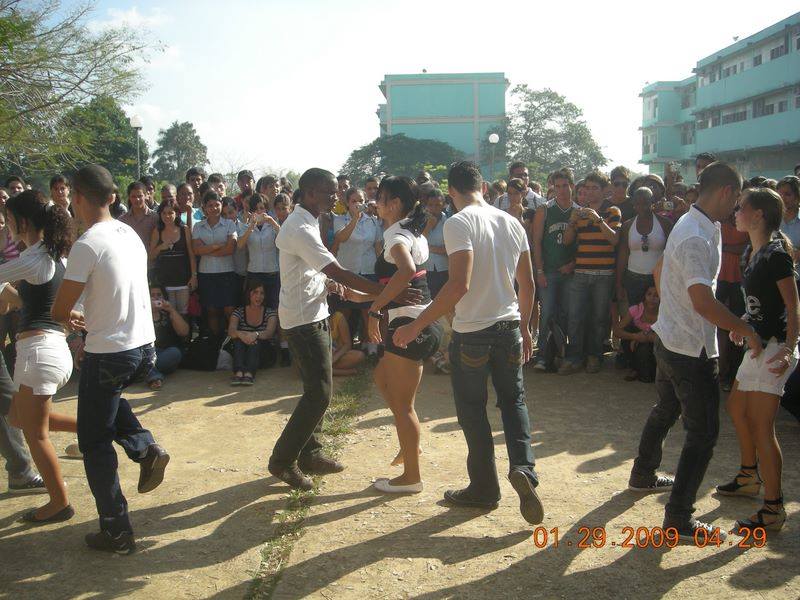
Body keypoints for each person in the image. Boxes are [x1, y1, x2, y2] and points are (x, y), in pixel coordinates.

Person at [393, 161, 543, 524]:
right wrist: (525, 328)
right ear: (484, 187)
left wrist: (416, 326)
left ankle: (484, 488)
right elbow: (527, 284)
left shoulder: (458, 223)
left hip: (473, 332)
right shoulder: (511, 222)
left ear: (451, 192)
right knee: (514, 402)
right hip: (509, 327)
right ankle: (524, 468)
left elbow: (458, 284)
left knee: (473, 411)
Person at [627, 162, 758, 543]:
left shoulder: (696, 225)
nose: (736, 207)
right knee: (703, 434)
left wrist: (673, 308)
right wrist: (743, 328)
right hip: (688, 348)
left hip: (672, 339)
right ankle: (679, 519)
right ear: (726, 192)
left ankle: (643, 473)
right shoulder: (696, 235)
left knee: (666, 409)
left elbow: (661, 271)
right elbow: (702, 301)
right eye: (736, 198)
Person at [268, 168, 419, 492]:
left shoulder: (310, 220)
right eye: (328, 192)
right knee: (319, 393)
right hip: (302, 319)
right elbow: (338, 269)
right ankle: (282, 460)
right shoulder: (299, 227)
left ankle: (310, 452)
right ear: (310, 193)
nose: (334, 198)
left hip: (315, 311)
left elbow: (313, 270)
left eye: (335, 191)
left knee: (318, 389)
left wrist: (326, 284)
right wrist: (385, 291)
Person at [53, 164, 170, 554]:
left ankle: (116, 530)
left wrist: (71, 318)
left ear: (79, 198)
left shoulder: (87, 244)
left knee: (94, 442)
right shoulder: (129, 233)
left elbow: (60, 309)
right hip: (144, 348)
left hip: (110, 353)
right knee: (106, 400)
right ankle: (144, 448)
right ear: (113, 196)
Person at [343, 176, 442, 494]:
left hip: (408, 326)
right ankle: (410, 445)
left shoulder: (397, 236)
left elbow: (406, 272)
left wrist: (373, 310)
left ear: (395, 203)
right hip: (412, 322)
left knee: (403, 405)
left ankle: (412, 477)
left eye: (381, 197)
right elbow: (401, 283)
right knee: (383, 379)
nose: (376, 202)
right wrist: (364, 297)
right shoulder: (411, 232)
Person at [715, 187, 798, 535]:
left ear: (758, 214)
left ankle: (773, 508)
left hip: (774, 348)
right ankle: (749, 476)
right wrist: (743, 323)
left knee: (763, 427)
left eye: (741, 208)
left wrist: (789, 349)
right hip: (758, 346)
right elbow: (760, 304)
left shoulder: (776, 254)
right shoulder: (754, 251)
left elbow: (792, 306)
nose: (735, 212)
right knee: (737, 407)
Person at [0, 190, 76, 524]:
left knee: (36, 434)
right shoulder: (53, 256)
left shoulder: (34, 257)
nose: (6, 226)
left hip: (38, 354)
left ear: (22, 222)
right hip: (50, 350)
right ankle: (96, 429)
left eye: (8, 220)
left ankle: (59, 502)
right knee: (19, 418)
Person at [560, 171, 621, 374]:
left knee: (599, 318)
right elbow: (567, 241)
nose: (590, 192)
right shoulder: (580, 212)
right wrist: (572, 221)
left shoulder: (612, 211)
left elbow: (614, 240)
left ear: (604, 190)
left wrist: (598, 220)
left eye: (595, 188)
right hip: (581, 272)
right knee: (575, 317)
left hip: (604, 275)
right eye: (587, 188)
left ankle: (594, 356)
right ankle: (573, 358)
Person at [532, 168, 577, 371]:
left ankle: (562, 353)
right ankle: (542, 356)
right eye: (557, 186)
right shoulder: (545, 210)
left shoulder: (578, 211)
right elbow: (536, 242)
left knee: (567, 313)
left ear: (572, 186)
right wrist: (539, 271)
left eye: (565, 185)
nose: (561, 190)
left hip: (570, 272)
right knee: (547, 312)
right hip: (549, 271)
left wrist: (573, 264)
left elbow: (582, 244)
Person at [332, 187, 382, 354]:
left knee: (368, 309)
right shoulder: (340, 220)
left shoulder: (373, 221)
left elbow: (377, 246)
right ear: (347, 203)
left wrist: (381, 270)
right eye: (354, 201)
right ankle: (342, 345)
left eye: (361, 200)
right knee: (344, 309)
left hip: (368, 269)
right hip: (347, 271)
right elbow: (341, 237)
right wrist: (355, 218)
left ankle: (371, 345)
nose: (358, 204)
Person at [616, 187, 673, 309]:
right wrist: (619, 283)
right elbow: (623, 254)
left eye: (645, 203)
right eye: (638, 203)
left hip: (657, 279)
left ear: (652, 202)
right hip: (633, 279)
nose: (642, 207)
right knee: (634, 314)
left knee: (657, 314)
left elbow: (671, 254)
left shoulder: (665, 224)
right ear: (633, 204)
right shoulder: (627, 226)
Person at [192, 191, 238, 336]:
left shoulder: (229, 224)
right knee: (211, 310)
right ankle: (215, 341)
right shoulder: (198, 226)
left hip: (227, 272)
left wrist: (207, 250)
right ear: (204, 208)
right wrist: (216, 246)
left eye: (217, 204)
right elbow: (196, 250)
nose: (214, 208)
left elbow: (230, 249)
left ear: (221, 205)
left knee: (229, 309)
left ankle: (232, 340)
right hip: (206, 274)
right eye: (210, 205)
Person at [716, 210, 749, 391]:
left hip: (739, 280)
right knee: (717, 325)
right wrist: (730, 248)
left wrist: (725, 247)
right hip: (718, 279)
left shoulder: (744, 221)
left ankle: (733, 375)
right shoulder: (717, 220)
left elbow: (748, 246)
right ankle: (720, 371)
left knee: (737, 326)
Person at [149, 199, 197, 316]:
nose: (167, 216)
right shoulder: (157, 231)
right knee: (168, 314)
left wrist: (193, 276)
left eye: (170, 213)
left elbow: (191, 254)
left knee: (184, 314)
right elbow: (150, 256)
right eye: (164, 213)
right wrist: (161, 247)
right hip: (165, 281)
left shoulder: (184, 229)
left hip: (183, 280)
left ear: (177, 213)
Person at [228, 280, 278, 385]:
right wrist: (242, 335)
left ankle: (249, 373)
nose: (258, 296)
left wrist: (255, 335)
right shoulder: (238, 312)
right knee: (238, 340)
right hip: (243, 352)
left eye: (262, 293)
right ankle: (239, 372)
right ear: (248, 294)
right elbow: (231, 331)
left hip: (263, 354)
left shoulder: (270, 313)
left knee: (255, 341)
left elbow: (269, 333)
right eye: (255, 292)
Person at [238, 194, 281, 310]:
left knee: (273, 306)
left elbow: (284, 240)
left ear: (266, 209)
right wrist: (251, 227)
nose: (259, 211)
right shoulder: (246, 226)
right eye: (256, 209)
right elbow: (240, 245)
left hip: (272, 272)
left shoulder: (273, 225)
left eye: (262, 208)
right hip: (254, 273)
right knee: (255, 307)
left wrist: (272, 222)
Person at [146, 284, 189, 391]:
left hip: (165, 354)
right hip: (148, 353)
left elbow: (184, 332)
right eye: (152, 295)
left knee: (175, 352)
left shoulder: (168, 313)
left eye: (159, 295)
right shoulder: (141, 315)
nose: (156, 298)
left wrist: (171, 310)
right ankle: (154, 377)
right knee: (142, 356)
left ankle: (147, 372)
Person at [613, 285, 659, 382]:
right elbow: (617, 331)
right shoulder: (636, 309)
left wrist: (648, 337)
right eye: (649, 294)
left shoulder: (665, 312)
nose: (652, 298)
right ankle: (634, 368)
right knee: (627, 330)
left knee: (647, 378)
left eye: (656, 295)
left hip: (655, 346)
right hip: (637, 343)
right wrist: (634, 337)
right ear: (644, 296)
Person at [120, 182, 158, 251]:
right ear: (129, 197)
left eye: (140, 196)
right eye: (133, 196)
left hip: (150, 256)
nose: (137, 199)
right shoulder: (122, 220)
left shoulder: (155, 218)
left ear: (146, 196)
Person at [329, 310, 366, 376]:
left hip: (334, 354)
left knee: (359, 355)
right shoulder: (312, 319)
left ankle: (326, 370)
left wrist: (334, 359)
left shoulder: (338, 317)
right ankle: (344, 372)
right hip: (317, 356)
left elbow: (347, 344)